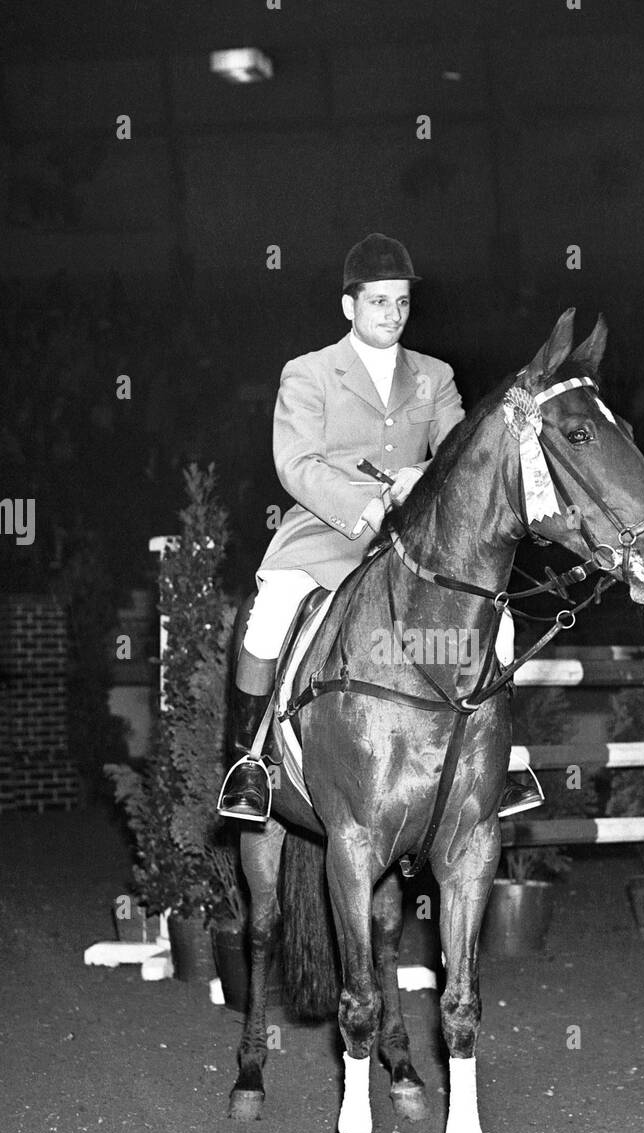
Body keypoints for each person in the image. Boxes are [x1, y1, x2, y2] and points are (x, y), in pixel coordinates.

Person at [218, 233, 543, 822]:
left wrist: (421, 475)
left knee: (499, 622)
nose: (393, 315)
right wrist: (362, 507)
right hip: (325, 534)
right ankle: (252, 764)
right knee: (267, 620)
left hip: (414, 541)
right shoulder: (309, 373)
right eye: (378, 302)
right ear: (350, 306)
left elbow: (459, 454)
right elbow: (296, 464)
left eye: (401, 303)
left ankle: (505, 761)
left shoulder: (435, 375)